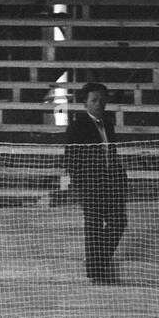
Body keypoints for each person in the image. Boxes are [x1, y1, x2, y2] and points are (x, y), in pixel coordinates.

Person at [62, 81, 127, 284]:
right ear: (85, 103)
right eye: (94, 100)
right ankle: (95, 271)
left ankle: (96, 262)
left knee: (118, 222)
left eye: (102, 100)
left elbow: (111, 153)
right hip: (90, 185)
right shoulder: (77, 126)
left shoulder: (108, 122)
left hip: (110, 183)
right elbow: (71, 158)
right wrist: (80, 185)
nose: (99, 104)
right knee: (94, 226)